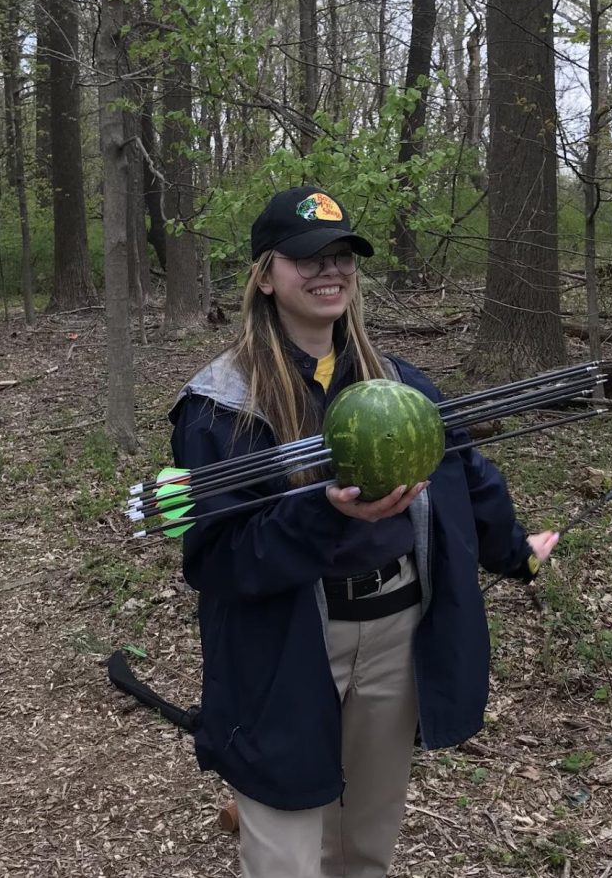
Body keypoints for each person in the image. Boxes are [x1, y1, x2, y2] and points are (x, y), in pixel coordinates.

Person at [169, 186, 559, 878]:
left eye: (343, 256)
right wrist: (322, 511)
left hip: (393, 629)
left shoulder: (401, 387)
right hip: (283, 644)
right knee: (286, 848)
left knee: (364, 839)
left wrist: (515, 552)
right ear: (265, 274)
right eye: (308, 257)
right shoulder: (220, 406)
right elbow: (220, 562)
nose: (330, 271)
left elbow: (465, 475)